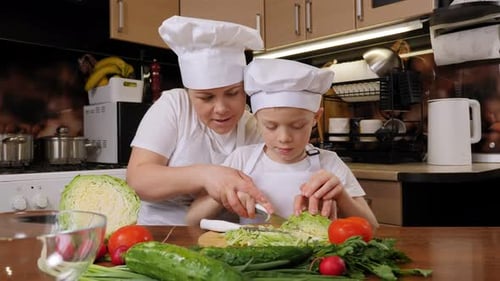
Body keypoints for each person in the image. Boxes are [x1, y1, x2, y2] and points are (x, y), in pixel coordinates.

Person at [186, 58, 379, 229]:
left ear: (316, 118)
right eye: (271, 126)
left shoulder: (329, 162)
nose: (284, 137)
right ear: (256, 119)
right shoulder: (242, 159)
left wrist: (341, 197)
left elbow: (372, 226)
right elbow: (192, 220)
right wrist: (225, 196)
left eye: (297, 125)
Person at [126, 16, 273, 225]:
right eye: (206, 97)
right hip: (160, 235)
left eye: (232, 93)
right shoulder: (174, 106)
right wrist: (206, 175)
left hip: (225, 242)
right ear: (190, 93)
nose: (221, 109)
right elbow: (138, 180)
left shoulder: (254, 128)